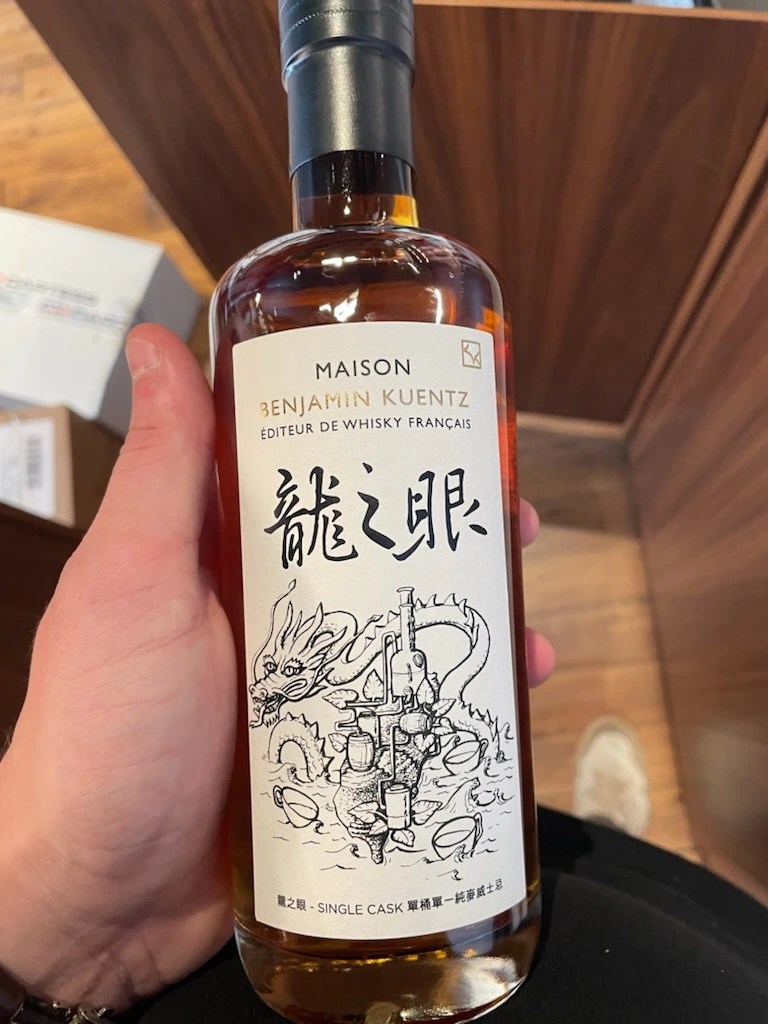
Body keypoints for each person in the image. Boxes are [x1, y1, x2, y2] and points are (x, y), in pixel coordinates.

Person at [0, 325, 765, 1024]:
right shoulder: (282, 294)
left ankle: (601, 845)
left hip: (146, 977)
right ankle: (610, 844)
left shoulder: (395, 290)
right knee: (701, 950)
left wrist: (60, 934)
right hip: (331, 943)